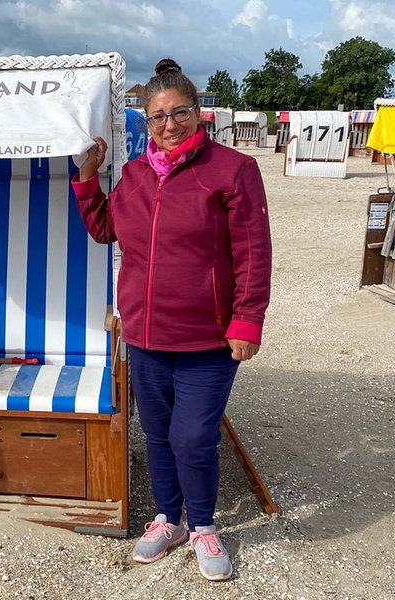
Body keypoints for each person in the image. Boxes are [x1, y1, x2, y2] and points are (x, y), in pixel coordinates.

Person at [73, 59, 271, 582]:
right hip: (144, 334)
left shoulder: (232, 170)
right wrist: (88, 179)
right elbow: (103, 229)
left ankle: (204, 524)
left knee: (193, 437)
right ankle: (168, 519)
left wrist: (247, 319)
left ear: (198, 113)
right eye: (157, 116)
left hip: (208, 336)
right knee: (157, 432)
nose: (168, 125)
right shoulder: (136, 175)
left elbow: (253, 251)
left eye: (179, 112)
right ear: (146, 122)